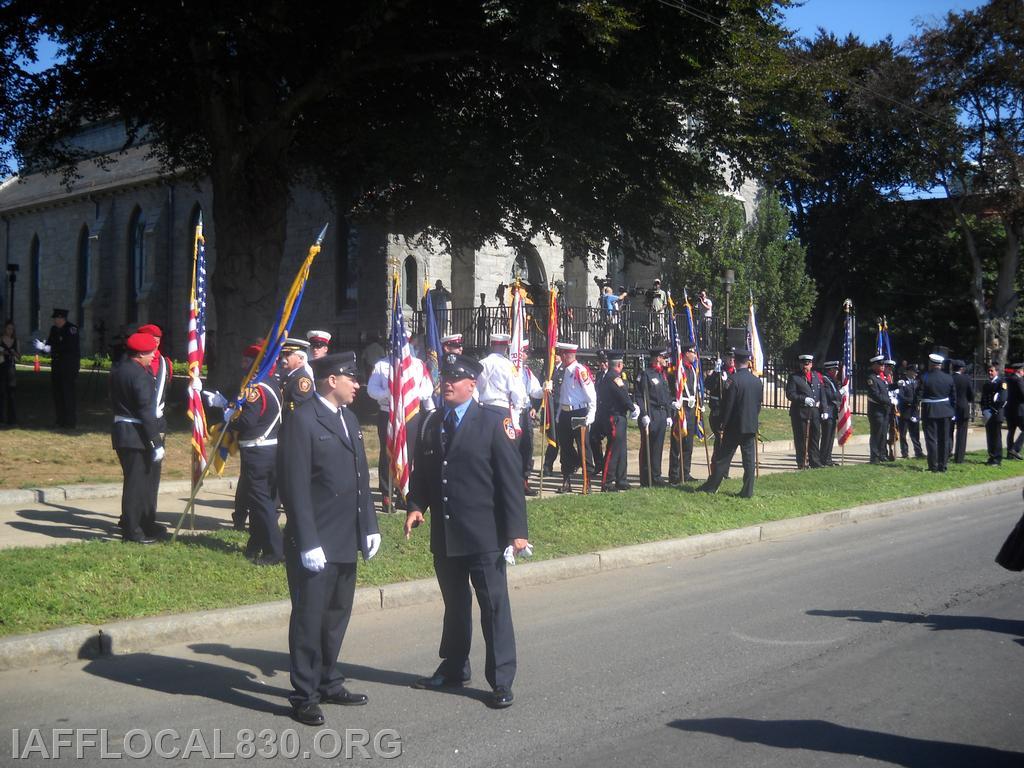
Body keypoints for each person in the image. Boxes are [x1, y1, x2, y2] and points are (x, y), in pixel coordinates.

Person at [405, 353, 529, 710]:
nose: (447, 383)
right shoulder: (431, 422)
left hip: (484, 536)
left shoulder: (493, 422)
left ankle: (501, 678)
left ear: (472, 385)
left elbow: (510, 481)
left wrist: (516, 531)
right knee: (454, 605)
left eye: (455, 378)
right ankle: (455, 666)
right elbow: (423, 473)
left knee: (493, 607)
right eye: (445, 376)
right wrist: (416, 506)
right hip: (446, 534)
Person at [277, 351, 380, 727]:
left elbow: (359, 481)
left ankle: (328, 679)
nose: (357, 384)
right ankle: (304, 693)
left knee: (336, 616)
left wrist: (369, 525)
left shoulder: (349, 418)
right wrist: (307, 540)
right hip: (316, 541)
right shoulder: (302, 420)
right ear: (331, 380)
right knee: (309, 618)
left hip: (345, 537)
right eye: (351, 378)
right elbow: (294, 486)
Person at [366, 329, 435, 512]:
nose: (399, 346)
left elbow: (428, 388)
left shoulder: (418, 365)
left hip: (411, 414)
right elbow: (371, 390)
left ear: (408, 343)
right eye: (395, 342)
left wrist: (410, 397)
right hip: (387, 413)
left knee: (410, 453)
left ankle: (405, 493)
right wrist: (388, 394)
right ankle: (387, 493)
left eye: (403, 342)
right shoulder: (382, 365)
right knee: (388, 452)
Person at [228, 343, 283, 565]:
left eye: (247, 360)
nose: (243, 364)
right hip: (271, 449)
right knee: (263, 500)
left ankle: (275, 551)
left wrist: (229, 417)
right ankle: (255, 544)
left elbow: (248, 422)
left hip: (257, 451)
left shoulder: (255, 388)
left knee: (261, 504)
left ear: (256, 363)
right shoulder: (272, 383)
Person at [110, 332, 165, 544]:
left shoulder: (120, 369)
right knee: (136, 484)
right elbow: (145, 411)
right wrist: (155, 442)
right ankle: (132, 530)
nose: (153, 356)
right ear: (140, 353)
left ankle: (138, 524)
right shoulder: (140, 374)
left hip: (123, 431)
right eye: (151, 352)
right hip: (136, 434)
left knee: (135, 481)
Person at [699, 349, 762, 498]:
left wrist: (722, 424)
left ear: (737, 361)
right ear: (748, 362)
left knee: (723, 459)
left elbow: (728, 406)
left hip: (734, 427)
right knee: (749, 461)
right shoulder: (756, 381)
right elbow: (758, 405)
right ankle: (748, 491)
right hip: (750, 425)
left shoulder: (733, 380)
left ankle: (711, 486)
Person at [546, 341, 596, 493]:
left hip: (579, 412)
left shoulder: (579, 370)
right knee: (566, 448)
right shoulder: (564, 371)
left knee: (582, 447)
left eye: (562, 354)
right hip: (565, 413)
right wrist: (559, 414)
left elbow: (591, 394)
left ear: (568, 355)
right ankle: (566, 480)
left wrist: (591, 414)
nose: (561, 356)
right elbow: (564, 395)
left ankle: (586, 481)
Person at [34, 308, 81, 428]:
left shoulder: (71, 329)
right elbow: (50, 344)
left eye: (56, 318)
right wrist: (43, 348)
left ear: (62, 318)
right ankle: (60, 419)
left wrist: (51, 349)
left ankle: (70, 421)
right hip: (56, 365)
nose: (55, 320)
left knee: (68, 393)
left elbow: (69, 347)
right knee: (57, 393)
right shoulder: (54, 329)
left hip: (68, 366)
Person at [598, 352, 638, 492]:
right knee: (613, 450)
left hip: (619, 416)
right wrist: (632, 408)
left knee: (621, 449)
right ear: (619, 364)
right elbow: (622, 395)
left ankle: (621, 479)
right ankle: (607, 482)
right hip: (614, 417)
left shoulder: (611, 376)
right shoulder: (613, 377)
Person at [636, 348, 672, 486]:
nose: (665, 360)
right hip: (651, 414)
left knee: (658, 447)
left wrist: (668, 414)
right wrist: (644, 414)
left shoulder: (662, 374)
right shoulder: (646, 375)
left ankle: (656, 476)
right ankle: (646, 478)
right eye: (664, 357)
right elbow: (640, 397)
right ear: (658, 358)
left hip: (661, 413)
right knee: (647, 447)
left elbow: (666, 396)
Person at [476, 333, 528, 427]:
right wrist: (517, 409)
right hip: (502, 410)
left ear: (492, 346)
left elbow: (476, 388)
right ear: (506, 347)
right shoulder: (509, 365)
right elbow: (516, 390)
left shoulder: (482, 363)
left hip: (484, 409)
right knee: (502, 441)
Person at [920, 352, 956, 472]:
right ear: (940, 365)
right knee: (944, 439)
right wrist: (952, 410)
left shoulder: (925, 377)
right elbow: (953, 397)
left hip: (930, 411)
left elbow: (919, 394)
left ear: (931, 364)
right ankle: (943, 465)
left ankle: (933, 465)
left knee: (931, 439)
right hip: (945, 411)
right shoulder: (948, 377)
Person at [786, 354, 823, 469]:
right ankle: (802, 462)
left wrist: (823, 407)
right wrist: (804, 399)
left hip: (814, 413)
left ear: (811, 364)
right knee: (801, 438)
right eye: (803, 364)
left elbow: (821, 393)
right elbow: (790, 394)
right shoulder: (794, 377)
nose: (805, 366)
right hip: (800, 413)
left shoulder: (816, 376)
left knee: (815, 436)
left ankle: (815, 461)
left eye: (807, 364)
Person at [668, 344, 699, 484]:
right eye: (692, 352)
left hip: (691, 408)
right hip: (681, 408)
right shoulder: (677, 369)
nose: (695, 355)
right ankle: (674, 474)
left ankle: (685, 472)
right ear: (686, 353)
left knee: (689, 444)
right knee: (677, 443)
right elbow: (671, 388)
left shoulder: (692, 369)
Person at [865, 355, 892, 465]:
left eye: (883, 364)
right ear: (874, 365)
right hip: (876, 410)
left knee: (883, 433)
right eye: (880, 364)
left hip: (884, 410)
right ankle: (874, 457)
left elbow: (887, 389)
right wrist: (889, 401)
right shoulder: (871, 378)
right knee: (876, 433)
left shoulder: (882, 377)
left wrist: (897, 386)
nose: (883, 366)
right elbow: (875, 395)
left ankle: (882, 454)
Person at [279, 338, 315, 416]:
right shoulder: (288, 375)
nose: (284, 358)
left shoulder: (302, 379)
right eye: (283, 354)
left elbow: (300, 405)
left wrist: (277, 405)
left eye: (288, 354)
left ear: (300, 359)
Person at [980, 362, 1006, 466]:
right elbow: (983, 399)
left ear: (997, 372)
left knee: (996, 437)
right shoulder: (987, 384)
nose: (990, 372)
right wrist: (984, 410)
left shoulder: (1001, 383)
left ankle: (997, 458)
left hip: (996, 413)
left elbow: (1002, 399)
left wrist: (992, 410)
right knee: (989, 437)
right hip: (988, 414)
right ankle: (991, 456)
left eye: (992, 371)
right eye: (989, 371)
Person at [895, 364, 924, 459]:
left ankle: (918, 452)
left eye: (916, 372)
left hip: (914, 411)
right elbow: (900, 395)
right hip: (905, 411)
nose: (916, 374)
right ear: (909, 371)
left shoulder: (917, 382)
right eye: (914, 372)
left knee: (915, 433)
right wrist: (911, 402)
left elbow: (920, 393)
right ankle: (904, 452)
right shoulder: (902, 382)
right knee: (903, 433)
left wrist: (918, 400)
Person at [951, 359, 974, 464]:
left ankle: (947, 453)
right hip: (963, 406)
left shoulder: (950, 378)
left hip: (951, 407)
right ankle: (959, 457)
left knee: (948, 432)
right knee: (962, 432)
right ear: (962, 368)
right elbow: (971, 394)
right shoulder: (966, 379)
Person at [819, 361, 841, 466]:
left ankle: (828, 458)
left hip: (833, 411)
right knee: (826, 436)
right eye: (835, 369)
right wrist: (840, 393)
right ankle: (824, 458)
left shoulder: (832, 380)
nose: (837, 371)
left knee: (831, 436)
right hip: (827, 411)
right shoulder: (825, 379)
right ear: (830, 370)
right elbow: (830, 395)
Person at [1, 320, 20, 426]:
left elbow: (19, 357)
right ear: (5, 329)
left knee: (11, 394)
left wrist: (14, 353)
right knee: (1, 393)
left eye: (12, 329)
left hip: (11, 368)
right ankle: (1, 418)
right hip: (1, 367)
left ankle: (11, 419)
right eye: (8, 328)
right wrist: (2, 352)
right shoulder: (1, 339)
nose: (10, 331)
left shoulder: (16, 341)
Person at [1005, 363, 1024, 460]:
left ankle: (1009, 453)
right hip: (1019, 410)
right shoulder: (1019, 380)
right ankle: (1015, 449)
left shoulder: (1008, 379)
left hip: (1009, 409)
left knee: (1011, 431)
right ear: (1020, 371)